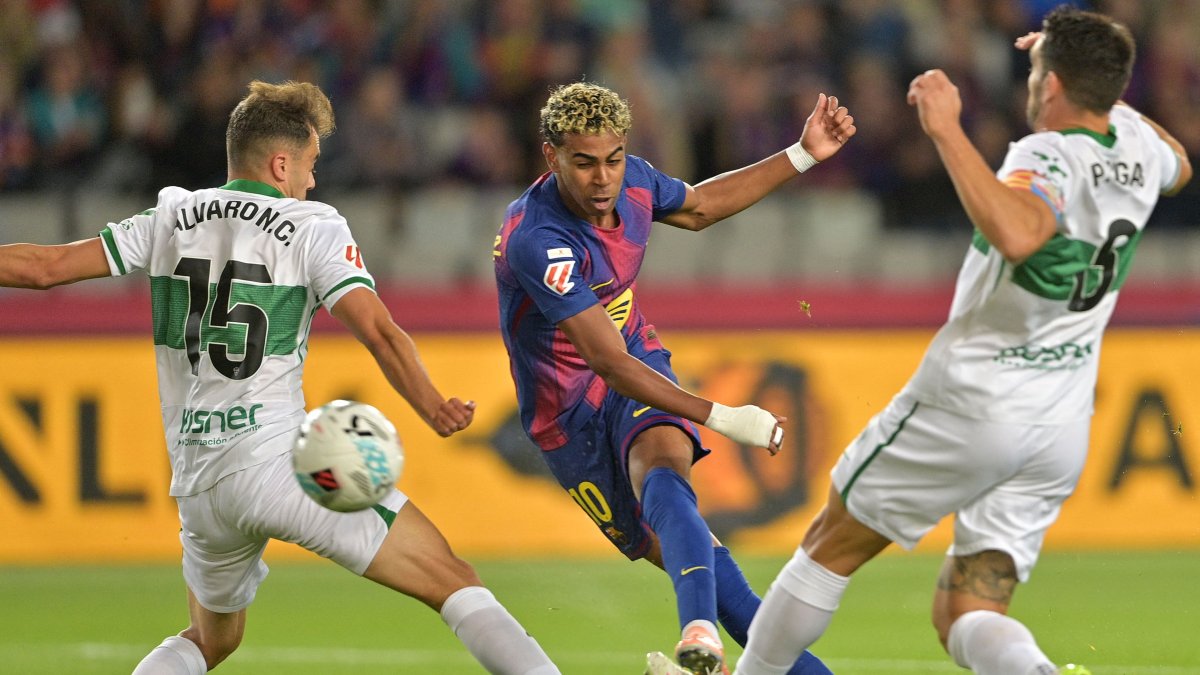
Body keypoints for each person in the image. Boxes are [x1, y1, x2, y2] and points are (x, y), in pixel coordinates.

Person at [0, 80, 559, 675]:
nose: (313, 181)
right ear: (281, 162)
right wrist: (431, 405)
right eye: (312, 165)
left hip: (198, 484)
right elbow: (379, 330)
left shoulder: (169, 215)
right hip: (281, 464)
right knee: (453, 580)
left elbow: (46, 269)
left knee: (210, 640)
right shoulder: (312, 225)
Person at [729, 7, 1192, 675]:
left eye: (1038, 73)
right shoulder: (1141, 152)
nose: (1030, 84)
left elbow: (1021, 232)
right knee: (967, 610)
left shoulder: (1046, 153)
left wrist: (947, 131)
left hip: (975, 400)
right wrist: (1096, 80)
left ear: (1053, 86)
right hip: (1057, 421)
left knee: (831, 542)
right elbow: (1179, 162)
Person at [492, 81, 855, 675]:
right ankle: (713, 629)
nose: (602, 178)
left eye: (612, 159)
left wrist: (803, 153)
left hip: (636, 358)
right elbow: (605, 363)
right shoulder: (537, 239)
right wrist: (723, 416)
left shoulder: (634, 180)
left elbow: (700, 207)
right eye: (583, 163)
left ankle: (697, 633)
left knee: (663, 467)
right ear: (551, 156)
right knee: (728, 592)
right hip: (568, 417)